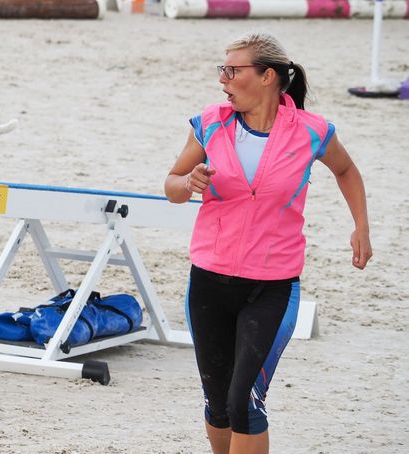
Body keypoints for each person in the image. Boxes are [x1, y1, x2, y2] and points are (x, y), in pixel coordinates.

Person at [164, 33, 372, 454]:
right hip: (208, 281)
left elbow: (346, 170)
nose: (223, 79)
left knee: (246, 401)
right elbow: (171, 185)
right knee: (218, 404)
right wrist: (188, 183)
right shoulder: (210, 122)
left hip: (272, 286)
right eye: (222, 69)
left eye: (232, 70)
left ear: (267, 76)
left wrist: (361, 226)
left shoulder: (311, 132)